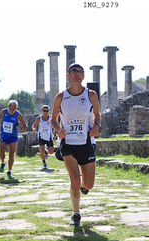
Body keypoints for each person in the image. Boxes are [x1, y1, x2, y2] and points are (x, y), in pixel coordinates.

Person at [51, 63, 101, 227]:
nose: (77, 74)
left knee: (89, 184)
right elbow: (53, 119)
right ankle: (76, 214)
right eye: (74, 71)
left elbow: (97, 116)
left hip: (86, 142)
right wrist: (59, 129)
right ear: (68, 75)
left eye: (80, 72)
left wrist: (96, 126)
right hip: (68, 143)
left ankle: (83, 186)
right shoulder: (60, 96)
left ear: (83, 76)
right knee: (74, 179)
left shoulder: (91, 94)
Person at [0, 100, 27, 179]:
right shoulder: (4, 112)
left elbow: (25, 125)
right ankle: (3, 163)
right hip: (4, 135)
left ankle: (9, 171)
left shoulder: (18, 115)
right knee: (1, 152)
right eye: (10, 109)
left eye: (14, 109)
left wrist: (20, 128)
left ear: (16, 108)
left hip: (13, 136)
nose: (12, 110)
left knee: (11, 154)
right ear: (8, 107)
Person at [32, 105, 54, 169]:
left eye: (47, 111)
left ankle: (46, 152)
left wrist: (55, 134)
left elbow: (55, 125)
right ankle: (44, 163)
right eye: (44, 111)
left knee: (51, 151)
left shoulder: (51, 118)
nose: (46, 112)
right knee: (41, 149)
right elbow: (34, 125)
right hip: (41, 135)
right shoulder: (39, 118)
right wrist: (34, 128)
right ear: (42, 111)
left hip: (49, 136)